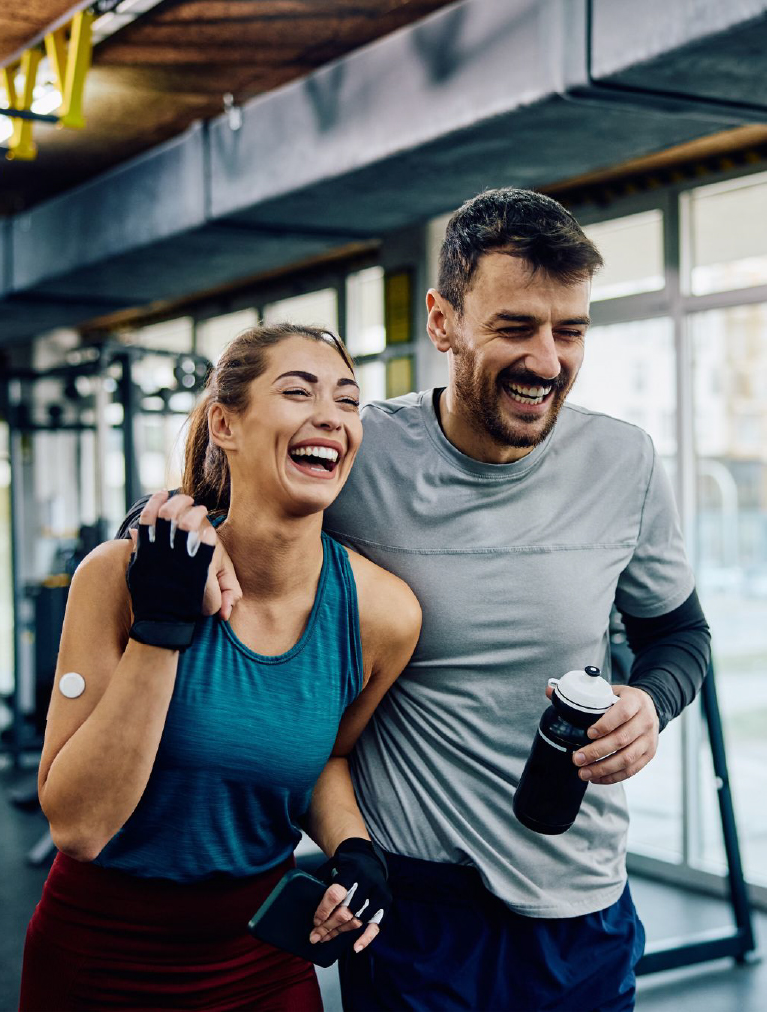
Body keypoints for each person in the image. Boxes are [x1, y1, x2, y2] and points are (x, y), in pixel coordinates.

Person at [123, 188, 711, 1011]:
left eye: (569, 330)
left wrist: (651, 700)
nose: (547, 360)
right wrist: (168, 523)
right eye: (514, 327)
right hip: (417, 910)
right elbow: (220, 504)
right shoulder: (363, 452)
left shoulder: (626, 462)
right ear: (443, 323)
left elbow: (680, 634)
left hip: (580, 902)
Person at [19, 323, 421, 1012]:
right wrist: (162, 627)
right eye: (298, 391)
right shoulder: (118, 576)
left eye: (348, 401)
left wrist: (355, 849)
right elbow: (79, 828)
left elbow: (329, 757)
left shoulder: (382, 614)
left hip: (261, 959)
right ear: (225, 424)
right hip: (99, 956)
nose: (330, 415)